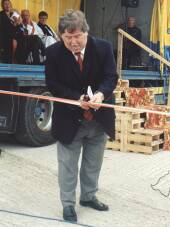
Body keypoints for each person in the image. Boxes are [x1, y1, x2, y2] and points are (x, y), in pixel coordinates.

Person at [45, 10, 117, 222]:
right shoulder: (53, 53)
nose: (73, 42)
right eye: (68, 38)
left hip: (98, 117)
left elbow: (111, 76)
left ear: (86, 32)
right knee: (67, 165)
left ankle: (88, 196)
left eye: (78, 37)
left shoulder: (103, 48)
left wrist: (101, 94)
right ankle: (68, 205)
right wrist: (77, 97)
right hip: (69, 118)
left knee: (93, 162)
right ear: (61, 36)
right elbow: (52, 83)